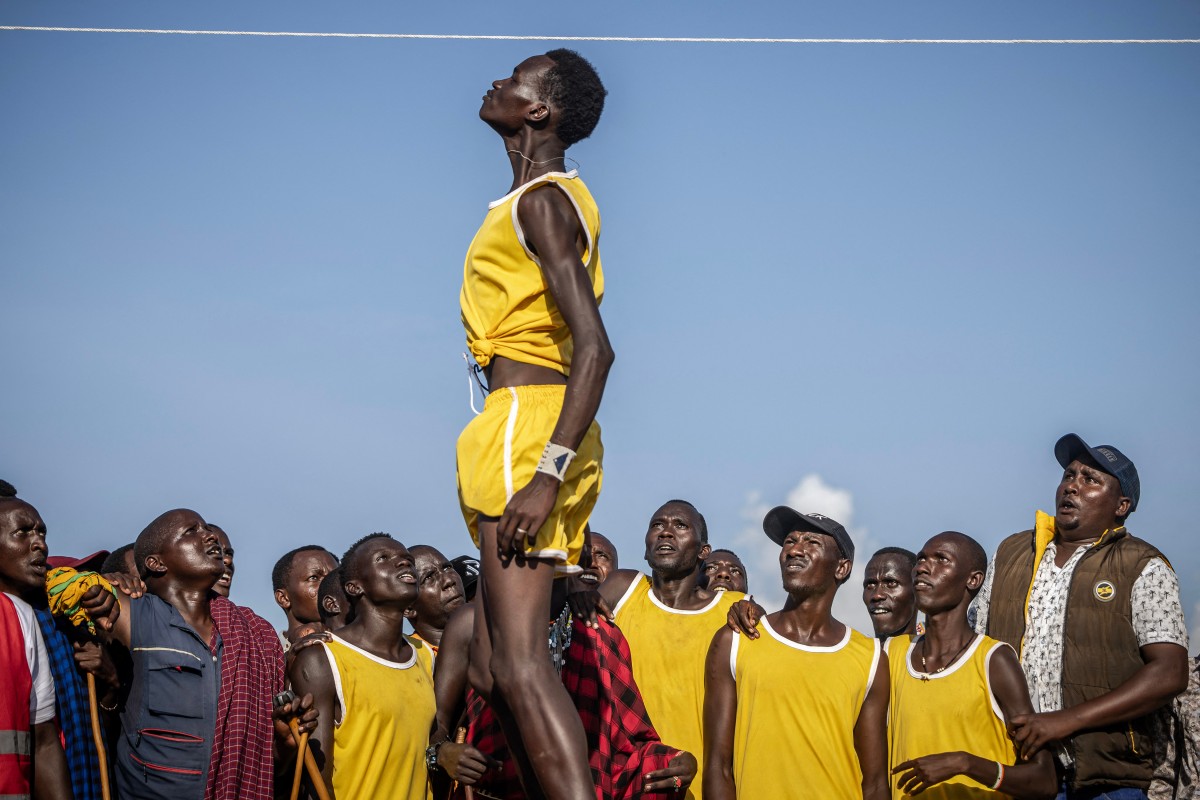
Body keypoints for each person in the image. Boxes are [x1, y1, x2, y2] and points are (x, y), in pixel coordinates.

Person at [456, 48, 611, 800]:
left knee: (520, 664)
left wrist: (547, 472)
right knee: (489, 671)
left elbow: (598, 348)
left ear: (538, 111)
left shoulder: (542, 202)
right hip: (517, 426)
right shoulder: (536, 199)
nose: (495, 83)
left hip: (532, 430)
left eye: (513, 80)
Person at [974, 434, 1189, 797]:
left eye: (1091, 479)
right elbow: (977, 647)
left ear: (1121, 505)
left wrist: (1065, 721)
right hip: (1014, 769)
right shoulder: (1011, 552)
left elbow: (1170, 673)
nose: (1072, 486)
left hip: (1104, 780)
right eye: (1069, 475)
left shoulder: (1143, 565)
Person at [88, 508, 305, 800]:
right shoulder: (132, 613)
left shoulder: (255, 634)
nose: (210, 536)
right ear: (156, 562)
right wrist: (101, 584)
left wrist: (284, 744)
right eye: (192, 531)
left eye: (207, 528)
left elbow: (268, 766)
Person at [433, 565, 696, 800]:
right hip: (497, 790)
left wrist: (677, 763)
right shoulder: (472, 623)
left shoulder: (601, 632)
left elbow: (629, 746)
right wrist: (443, 753)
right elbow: (437, 723)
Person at [703, 506, 889, 800]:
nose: (794, 550)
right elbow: (717, 766)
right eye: (790, 541)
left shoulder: (870, 658)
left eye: (811, 542)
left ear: (842, 568)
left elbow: (876, 783)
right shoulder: (737, 639)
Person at [576, 500, 744, 800]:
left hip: (702, 784)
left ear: (703, 551)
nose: (666, 532)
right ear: (645, 548)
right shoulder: (623, 588)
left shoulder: (732, 610)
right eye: (657, 525)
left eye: (680, 525)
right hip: (626, 782)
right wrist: (577, 595)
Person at [890, 531, 1056, 798]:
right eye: (921, 559)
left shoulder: (994, 659)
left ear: (973, 579)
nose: (922, 567)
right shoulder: (892, 653)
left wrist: (966, 764)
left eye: (941, 559)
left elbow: (1044, 781)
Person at [288, 533, 435, 800]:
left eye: (407, 560)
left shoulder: (424, 656)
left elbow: (433, 745)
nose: (404, 564)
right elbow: (316, 778)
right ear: (355, 587)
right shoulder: (323, 658)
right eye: (384, 559)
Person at [0, 480, 73, 799]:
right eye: (23, 532)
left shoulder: (21, 617)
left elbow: (44, 741)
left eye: (41, 532)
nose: (40, 544)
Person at [272, 545, 340, 645]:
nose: (330, 584)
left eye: (334, 577)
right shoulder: (265, 654)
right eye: (314, 578)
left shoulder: (361, 642)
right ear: (283, 598)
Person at [404, 545, 466, 654]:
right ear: (408, 608)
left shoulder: (493, 636)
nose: (449, 580)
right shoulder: (409, 661)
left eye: (447, 568)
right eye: (429, 577)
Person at [863, 547, 919, 643]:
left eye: (891, 583)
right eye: (870, 584)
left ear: (917, 590)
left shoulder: (942, 656)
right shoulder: (852, 655)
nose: (877, 595)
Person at [210, 525, 235, 598]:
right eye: (214, 551)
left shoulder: (242, 610)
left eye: (229, 554)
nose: (228, 560)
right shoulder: (175, 608)